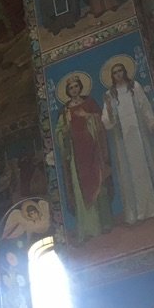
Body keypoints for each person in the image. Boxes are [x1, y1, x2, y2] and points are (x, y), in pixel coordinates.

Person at [101, 63, 154, 224]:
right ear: (112, 76)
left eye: (120, 71)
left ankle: (153, 209)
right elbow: (106, 120)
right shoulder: (110, 94)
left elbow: (145, 106)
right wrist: (110, 112)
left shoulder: (135, 87)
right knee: (129, 174)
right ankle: (135, 214)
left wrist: (151, 122)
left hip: (140, 136)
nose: (118, 74)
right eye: (115, 72)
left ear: (124, 72)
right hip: (124, 141)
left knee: (145, 169)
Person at [56, 76, 112, 241]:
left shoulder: (89, 104)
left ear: (80, 88)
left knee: (99, 183)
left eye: (76, 86)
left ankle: (103, 223)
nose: (74, 90)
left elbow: (101, 121)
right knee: (80, 188)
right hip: (76, 153)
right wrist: (65, 129)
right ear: (67, 91)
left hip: (93, 149)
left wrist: (88, 115)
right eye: (71, 88)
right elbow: (59, 132)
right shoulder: (65, 111)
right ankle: (88, 229)